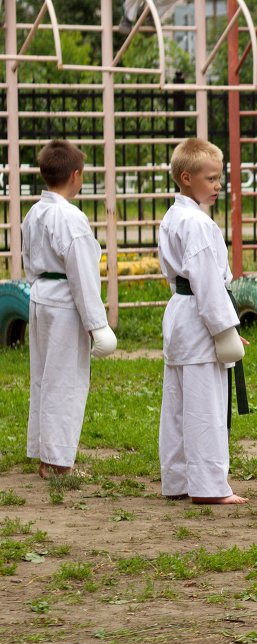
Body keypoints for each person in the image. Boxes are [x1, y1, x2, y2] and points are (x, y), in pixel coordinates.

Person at [157, 138, 247, 505]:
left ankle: (178, 479)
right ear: (186, 177)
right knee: (204, 404)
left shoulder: (174, 216)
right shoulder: (197, 224)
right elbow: (208, 283)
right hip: (198, 314)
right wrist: (226, 331)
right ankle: (209, 486)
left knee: (178, 403)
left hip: (181, 311)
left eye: (219, 178)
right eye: (209, 179)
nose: (217, 185)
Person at [23, 139, 117, 478]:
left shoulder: (35, 211)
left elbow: (27, 258)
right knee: (65, 380)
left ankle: (45, 453)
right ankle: (59, 463)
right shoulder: (71, 217)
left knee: (44, 377)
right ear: (76, 175)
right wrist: (97, 324)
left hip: (41, 296)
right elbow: (82, 271)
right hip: (64, 301)